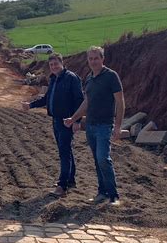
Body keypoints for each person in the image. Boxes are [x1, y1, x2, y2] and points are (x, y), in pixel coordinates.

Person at [64, 46, 125, 206]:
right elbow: (87, 102)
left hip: (105, 125)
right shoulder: (89, 78)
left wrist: (118, 126)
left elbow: (120, 102)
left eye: (96, 58)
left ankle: (114, 196)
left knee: (103, 158)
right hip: (90, 125)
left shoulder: (111, 76)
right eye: (90, 59)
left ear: (102, 59)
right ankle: (102, 192)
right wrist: (73, 118)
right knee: (97, 160)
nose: (93, 61)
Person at [22, 53, 84, 196]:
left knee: (64, 152)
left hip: (67, 121)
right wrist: (30, 105)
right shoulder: (54, 79)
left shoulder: (71, 78)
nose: (54, 67)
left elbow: (79, 100)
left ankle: (62, 186)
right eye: (51, 65)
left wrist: (77, 121)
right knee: (66, 150)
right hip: (56, 120)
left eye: (56, 64)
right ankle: (70, 180)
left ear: (62, 63)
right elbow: (46, 99)